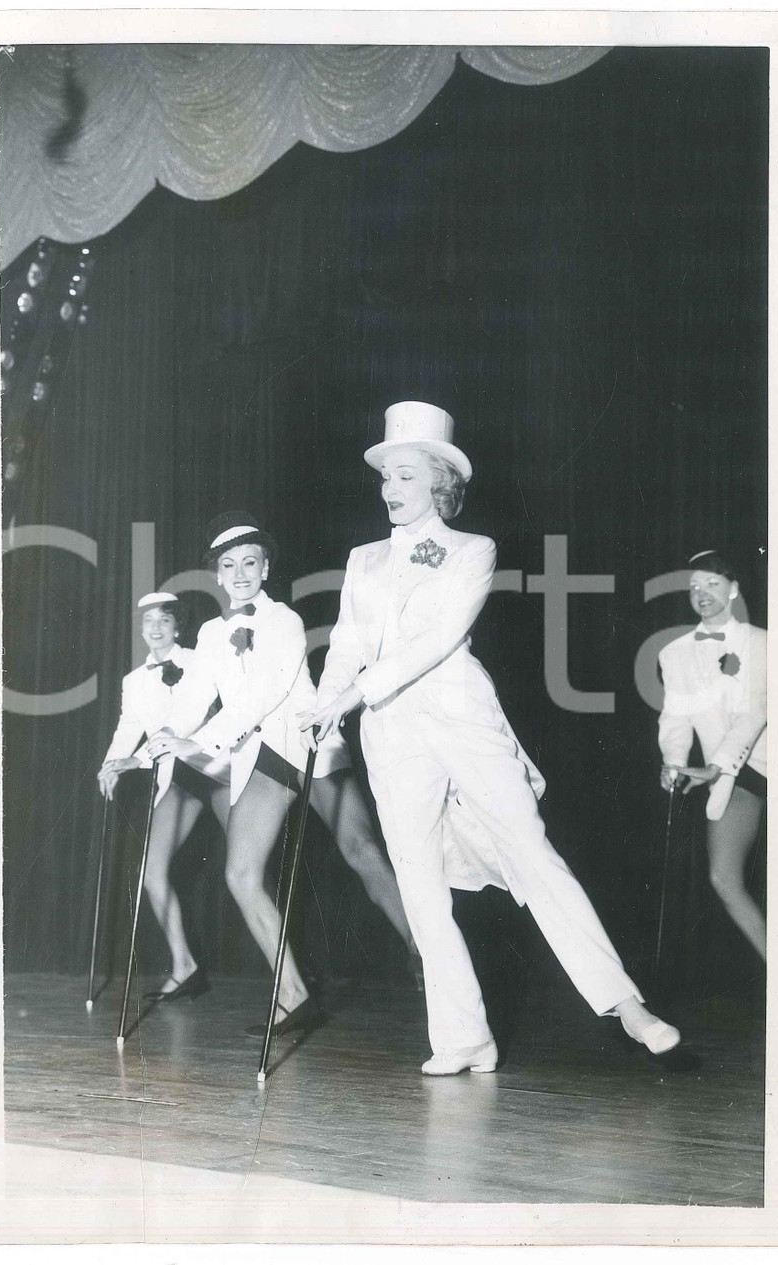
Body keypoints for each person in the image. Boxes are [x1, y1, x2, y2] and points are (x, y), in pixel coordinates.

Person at [300, 400, 681, 1075]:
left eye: (407, 476)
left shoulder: (473, 550)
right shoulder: (362, 559)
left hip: (464, 720)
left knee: (531, 851)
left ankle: (627, 1005)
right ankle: (462, 1037)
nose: (391, 489)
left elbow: (437, 639)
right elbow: (348, 645)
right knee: (419, 883)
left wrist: (353, 694)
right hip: (391, 734)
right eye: (386, 476)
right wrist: (323, 710)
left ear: (441, 482)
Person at [147, 513, 419, 1035]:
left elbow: (263, 695)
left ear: (265, 568)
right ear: (217, 575)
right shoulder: (209, 634)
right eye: (229, 565)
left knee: (361, 849)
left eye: (250, 562)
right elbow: (193, 697)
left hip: (310, 742)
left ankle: (423, 947)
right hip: (263, 755)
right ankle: (292, 993)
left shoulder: (285, 621)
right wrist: (161, 737)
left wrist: (197, 742)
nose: (240, 573)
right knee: (241, 874)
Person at [97, 592, 230, 999]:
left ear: (177, 627)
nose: (155, 628)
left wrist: (137, 759)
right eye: (148, 621)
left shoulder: (198, 661)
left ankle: (296, 980)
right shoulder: (133, 681)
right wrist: (111, 765)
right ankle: (185, 967)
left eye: (164, 620)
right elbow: (128, 727)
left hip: (220, 768)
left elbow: (194, 717)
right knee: (151, 872)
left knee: (250, 873)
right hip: (181, 777)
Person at [658, 550, 767, 960]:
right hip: (731, 778)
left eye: (712, 583)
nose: (701, 593)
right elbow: (675, 716)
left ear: (733, 589)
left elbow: (755, 711)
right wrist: (674, 762)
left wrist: (715, 765)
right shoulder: (673, 653)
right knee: (723, 877)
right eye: (694, 586)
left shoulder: (764, 643)